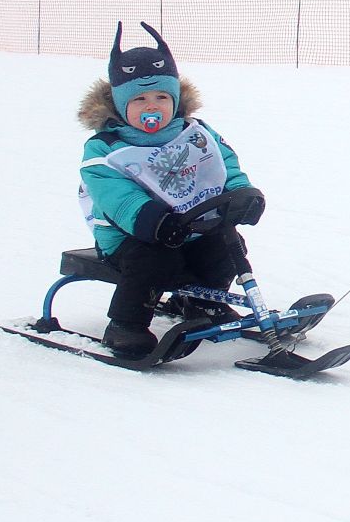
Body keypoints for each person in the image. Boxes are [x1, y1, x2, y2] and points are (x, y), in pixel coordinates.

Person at [76, 21, 266, 357]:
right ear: (121, 105)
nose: (152, 107)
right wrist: (152, 220)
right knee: (153, 259)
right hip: (131, 235)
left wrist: (242, 194)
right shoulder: (105, 148)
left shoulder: (194, 132)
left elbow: (224, 165)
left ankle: (203, 302)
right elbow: (115, 196)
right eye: (140, 99)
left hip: (193, 225)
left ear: (175, 99)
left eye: (162, 97)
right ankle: (125, 324)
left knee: (226, 241)